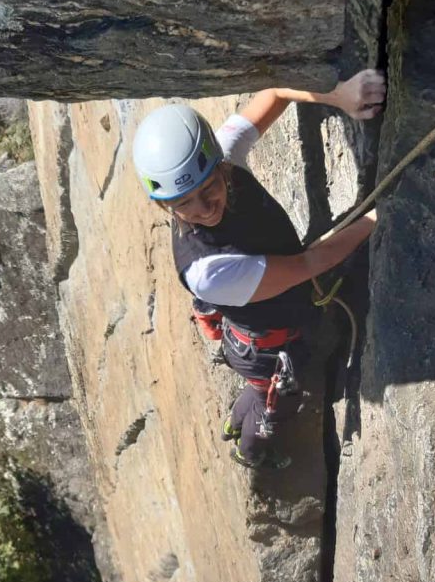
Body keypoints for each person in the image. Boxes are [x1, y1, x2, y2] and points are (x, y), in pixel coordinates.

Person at [132, 69, 385, 469]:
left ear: (220, 168)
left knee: (259, 390)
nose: (204, 208)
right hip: (266, 347)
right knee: (277, 402)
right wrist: (380, 216)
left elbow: (276, 91)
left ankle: (238, 422)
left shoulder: (224, 157)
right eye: (184, 204)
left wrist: (338, 96)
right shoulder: (208, 271)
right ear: (166, 206)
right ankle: (250, 452)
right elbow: (310, 262)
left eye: (208, 190)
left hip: (254, 342)